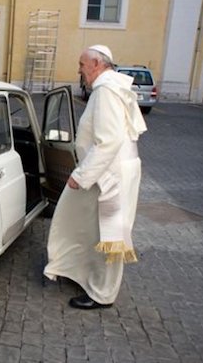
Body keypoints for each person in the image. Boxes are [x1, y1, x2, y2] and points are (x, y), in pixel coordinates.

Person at [43, 45, 148, 309]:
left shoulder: (105, 90)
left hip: (110, 174)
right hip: (111, 170)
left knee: (110, 234)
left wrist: (81, 175)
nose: (79, 70)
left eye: (81, 65)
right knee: (91, 227)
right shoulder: (112, 86)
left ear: (97, 63)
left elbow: (109, 141)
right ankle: (84, 274)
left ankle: (102, 294)